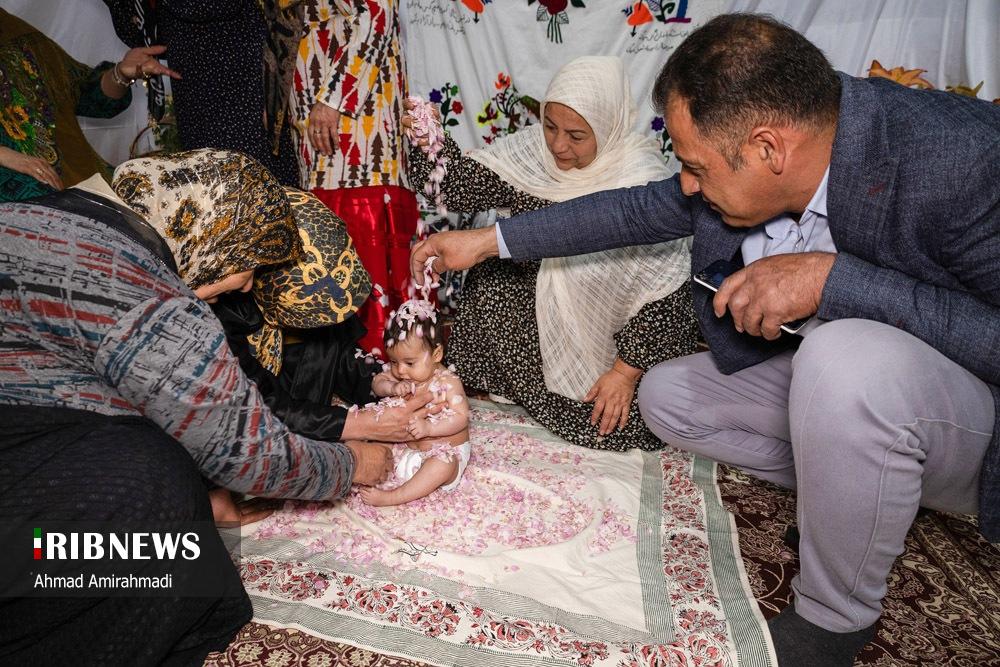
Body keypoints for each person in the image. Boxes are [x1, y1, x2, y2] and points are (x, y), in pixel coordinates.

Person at [410, 13, 1000, 667]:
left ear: (769, 149)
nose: (687, 183)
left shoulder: (965, 160)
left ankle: (834, 618)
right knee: (667, 397)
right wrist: (488, 241)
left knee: (843, 359)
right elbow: (633, 210)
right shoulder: (782, 138)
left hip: (972, 421)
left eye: (695, 167)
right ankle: (862, 496)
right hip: (867, 395)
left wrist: (831, 281)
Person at [0, 148, 417, 664]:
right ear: (216, 242)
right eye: (248, 268)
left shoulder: (51, 214)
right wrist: (355, 463)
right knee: (163, 493)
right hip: (21, 522)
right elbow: (250, 454)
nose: (248, 285)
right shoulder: (155, 301)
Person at [404, 56, 699, 452]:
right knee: (495, 274)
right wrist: (430, 142)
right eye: (549, 126)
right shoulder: (533, 155)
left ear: (607, 127)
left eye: (576, 135)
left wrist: (624, 373)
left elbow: (670, 293)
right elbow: (456, 187)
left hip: (611, 343)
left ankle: (599, 383)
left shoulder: (641, 180)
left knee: (622, 421)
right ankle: (514, 384)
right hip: (533, 326)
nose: (558, 145)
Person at [291, 0, 418, 353]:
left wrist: (334, 98)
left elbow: (377, 12)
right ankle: (345, 366)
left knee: (363, 257)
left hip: (354, 127)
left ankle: (377, 363)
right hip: (323, 128)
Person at [0, 8, 178, 202]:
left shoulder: (16, 32)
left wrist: (120, 74)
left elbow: (83, 92)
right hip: (23, 193)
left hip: (75, 178)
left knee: (162, 193)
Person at [149, 0, 300, 185]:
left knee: (256, 184)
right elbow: (140, 33)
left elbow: (209, 6)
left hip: (245, 90)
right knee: (210, 184)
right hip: (196, 95)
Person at [358, 299, 472, 507]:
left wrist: (429, 428)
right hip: (403, 449)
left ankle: (394, 496)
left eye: (409, 363)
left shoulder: (448, 381)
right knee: (371, 439)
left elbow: (461, 417)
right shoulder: (399, 375)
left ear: (436, 354)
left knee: (443, 463)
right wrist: (391, 388)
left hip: (440, 454)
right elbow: (377, 383)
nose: (401, 370)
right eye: (394, 361)